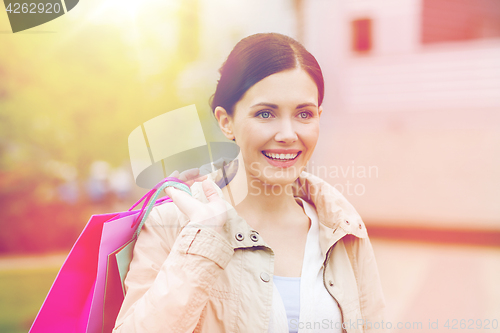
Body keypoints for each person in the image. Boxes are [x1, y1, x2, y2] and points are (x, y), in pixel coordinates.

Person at [113, 33, 385, 333]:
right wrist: (203, 240)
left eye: (304, 114)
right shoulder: (172, 223)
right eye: (265, 113)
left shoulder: (343, 229)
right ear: (226, 121)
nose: (287, 134)